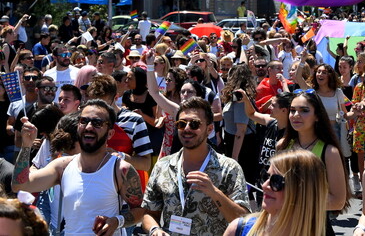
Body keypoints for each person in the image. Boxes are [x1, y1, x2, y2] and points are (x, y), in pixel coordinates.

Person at [12, 99, 145, 236]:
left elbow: (140, 211)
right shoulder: (62, 166)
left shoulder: (120, 169)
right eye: (83, 121)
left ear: (110, 134)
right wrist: (26, 145)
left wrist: (117, 221)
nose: (88, 127)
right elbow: (20, 185)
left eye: (97, 123)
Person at [141, 97, 250, 236]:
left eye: (194, 124)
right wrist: (154, 230)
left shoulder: (229, 168)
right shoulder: (163, 166)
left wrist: (214, 193)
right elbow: (148, 214)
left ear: (209, 129)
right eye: (181, 124)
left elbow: (243, 222)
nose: (187, 129)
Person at [277, 90, 349, 236]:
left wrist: (296, 200)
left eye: (304, 110)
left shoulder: (329, 152)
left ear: (317, 116)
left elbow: (338, 201)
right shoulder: (282, 146)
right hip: (286, 227)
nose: (296, 115)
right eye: (292, 110)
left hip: (316, 228)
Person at [223, 150, 329, 236]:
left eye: (276, 181)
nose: (264, 186)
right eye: (265, 177)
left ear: (302, 191)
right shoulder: (238, 230)